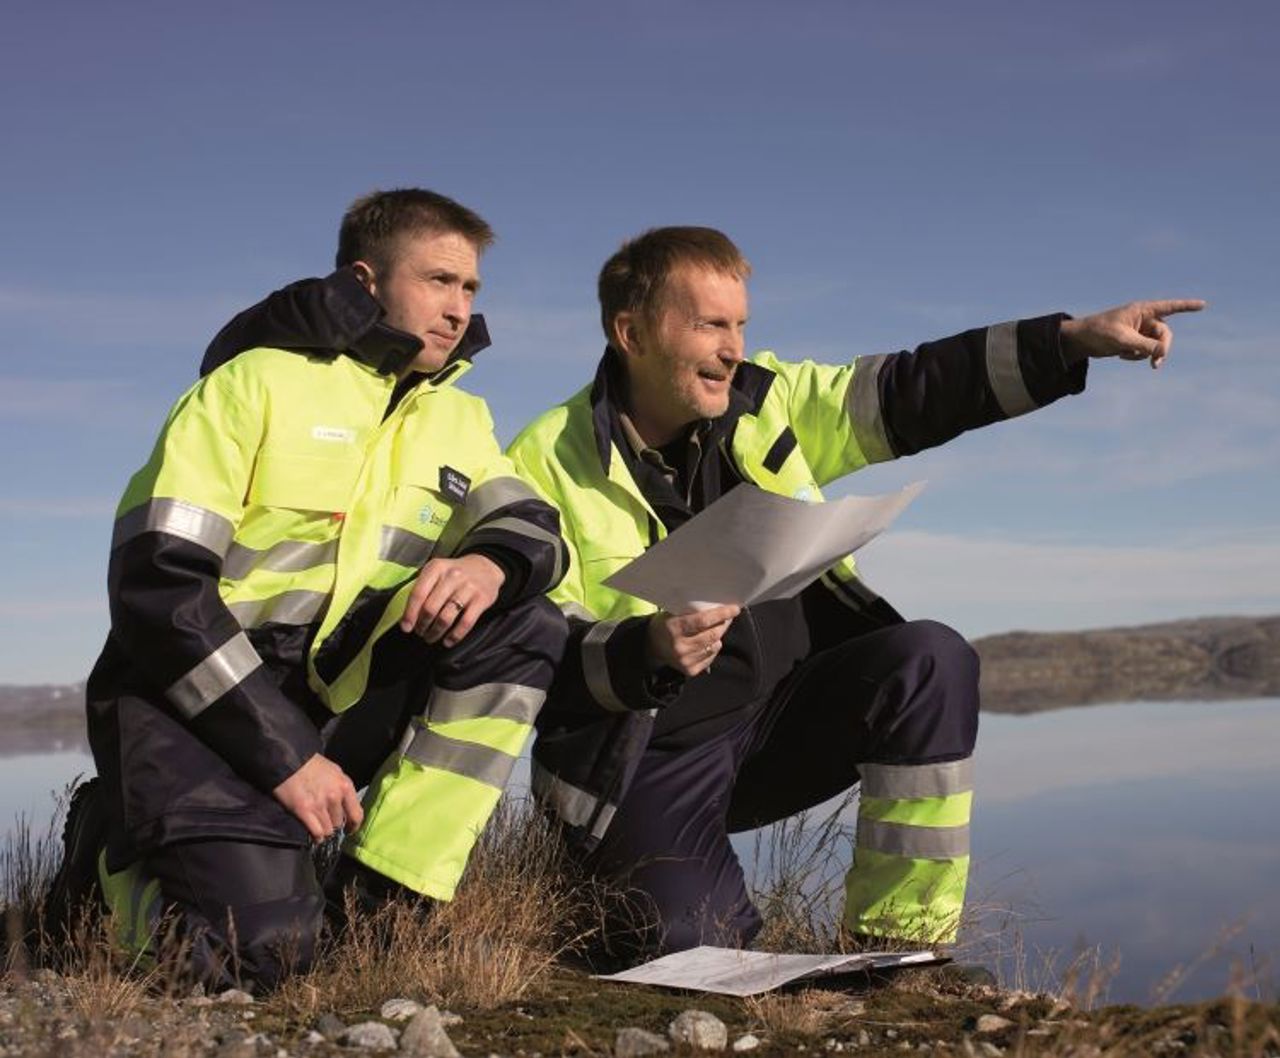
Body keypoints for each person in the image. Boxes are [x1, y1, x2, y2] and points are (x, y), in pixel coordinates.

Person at [505, 225, 1204, 962]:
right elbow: (532, 651)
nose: (734, 348)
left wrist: (1065, 342)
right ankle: (633, 894)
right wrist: (640, 648)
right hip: (643, 758)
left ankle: (898, 950)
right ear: (631, 333)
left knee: (929, 659)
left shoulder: (767, 400)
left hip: (780, 721)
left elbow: (915, 390)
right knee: (691, 948)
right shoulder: (544, 458)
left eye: (740, 325)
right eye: (711, 324)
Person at [46, 189, 569, 989]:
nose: (459, 309)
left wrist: (489, 563)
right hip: (195, 702)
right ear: (366, 282)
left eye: (470, 289)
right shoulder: (252, 385)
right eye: (438, 280)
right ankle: (104, 864)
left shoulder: (459, 418)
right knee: (259, 954)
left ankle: (385, 900)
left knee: (523, 617)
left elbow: (538, 527)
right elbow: (157, 586)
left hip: (332, 698)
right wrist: (287, 758)